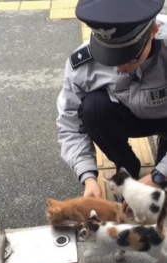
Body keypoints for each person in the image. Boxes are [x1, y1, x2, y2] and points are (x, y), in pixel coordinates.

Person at [56, 0, 167, 207]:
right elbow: (69, 125)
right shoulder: (82, 63)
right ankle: (126, 165)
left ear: (154, 32)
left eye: (131, 57)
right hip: (128, 115)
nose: (121, 66)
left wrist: (159, 177)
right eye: (110, 58)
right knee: (92, 108)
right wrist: (88, 177)